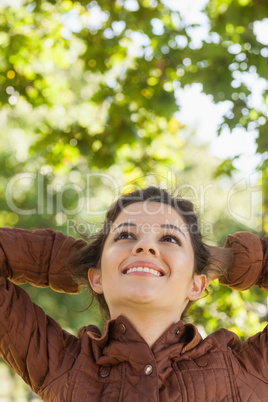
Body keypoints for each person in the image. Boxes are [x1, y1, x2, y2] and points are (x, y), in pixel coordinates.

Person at [0, 186, 267, 401]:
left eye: (170, 239)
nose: (145, 246)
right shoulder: (63, 366)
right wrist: (82, 260)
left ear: (197, 285)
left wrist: (231, 261)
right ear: (96, 278)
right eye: (125, 235)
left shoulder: (246, 371)